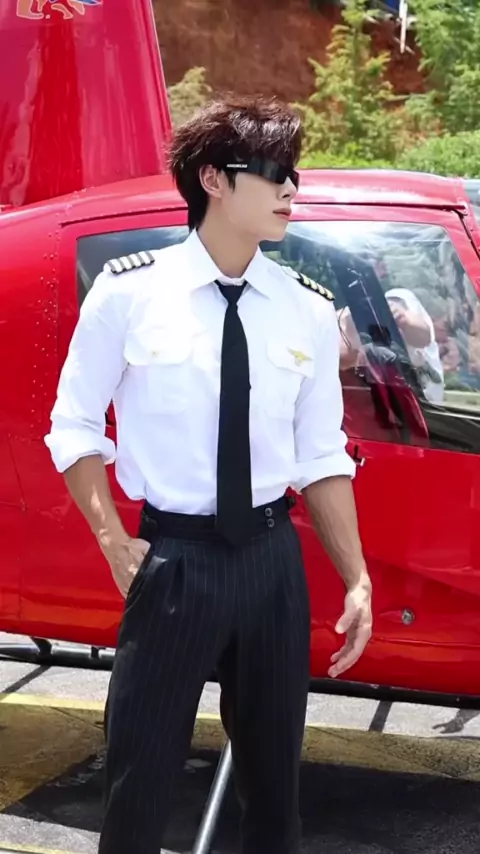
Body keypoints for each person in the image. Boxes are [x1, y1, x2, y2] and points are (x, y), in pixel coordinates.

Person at [44, 96, 372, 854]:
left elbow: (321, 456)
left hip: (271, 565)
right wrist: (113, 541)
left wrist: (355, 577)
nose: (292, 189)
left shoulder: (304, 310)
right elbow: (74, 427)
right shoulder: (129, 294)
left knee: (276, 802)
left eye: (295, 174)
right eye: (275, 172)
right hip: (174, 564)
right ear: (213, 180)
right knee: (137, 791)